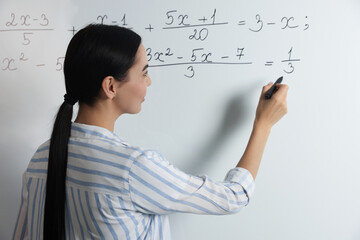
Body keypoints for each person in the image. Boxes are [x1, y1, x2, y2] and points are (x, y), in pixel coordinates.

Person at [12, 24, 288, 240]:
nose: (149, 80)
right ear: (111, 86)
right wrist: (263, 124)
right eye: (144, 72)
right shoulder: (133, 168)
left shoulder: (41, 157)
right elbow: (233, 196)